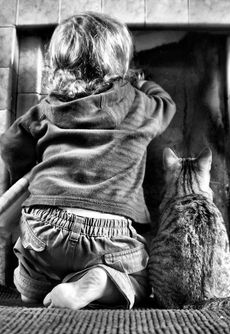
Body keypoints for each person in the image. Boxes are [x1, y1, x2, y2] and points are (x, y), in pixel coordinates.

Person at [0, 12, 176, 309]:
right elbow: (167, 106)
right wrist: (145, 84)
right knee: (142, 282)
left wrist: (33, 175)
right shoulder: (139, 102)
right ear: (121, 64)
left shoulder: (47, 107)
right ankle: (101, 281)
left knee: (30, 279)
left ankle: (38, 286)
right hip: (110, 232)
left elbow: (11, 146)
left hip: (44, 224)